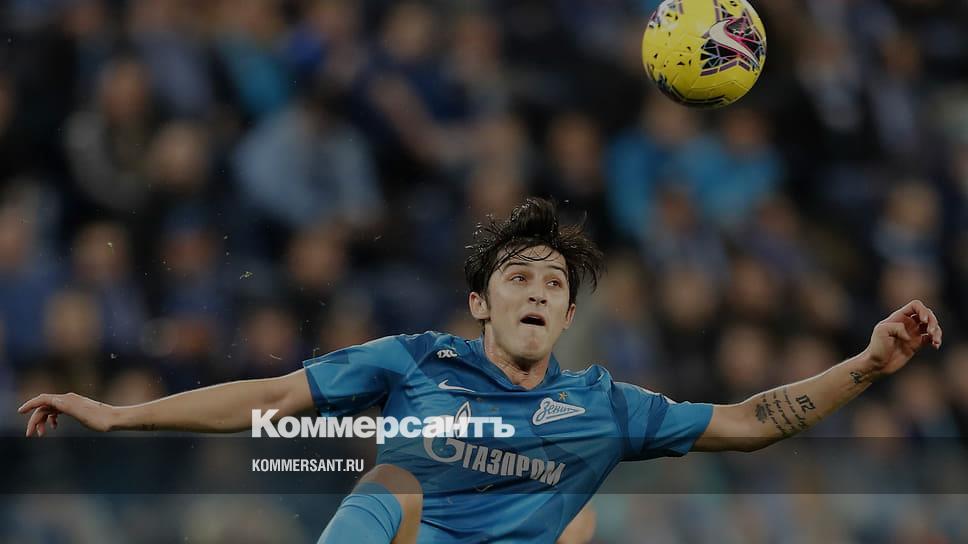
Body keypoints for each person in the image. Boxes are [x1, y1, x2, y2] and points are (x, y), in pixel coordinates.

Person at [19, 198, 943, 543]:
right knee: (392, 484)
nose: (536, 290)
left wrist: (869, 362)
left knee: (579, 526)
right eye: (517, 277)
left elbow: (747, 421)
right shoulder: (416, 360)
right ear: (480, 303)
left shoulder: (604, 405)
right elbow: (270, 399)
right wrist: (118, 414)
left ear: (569, 318)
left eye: (553, 284)